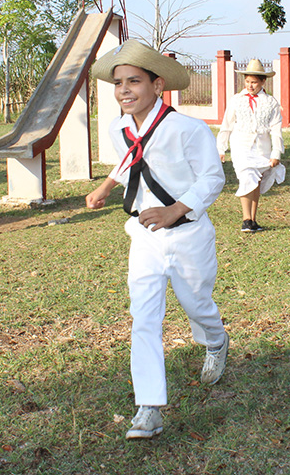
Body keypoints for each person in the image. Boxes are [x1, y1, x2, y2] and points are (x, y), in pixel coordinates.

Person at [85, 39, 228, 440]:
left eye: (134, 81)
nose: (125, 90)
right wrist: (108, 185)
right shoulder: (118, 127)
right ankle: (148, 407)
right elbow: (132, 155)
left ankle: (216, 342)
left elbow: (213, 178)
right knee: (143, 316)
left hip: (188, 236)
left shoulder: (189, 129)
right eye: (118, 83)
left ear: (158, 84)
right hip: (144, 236)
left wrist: (174, 210)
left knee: (197, 305)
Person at [216, 58, 286, 232]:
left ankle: (253, 220)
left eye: (254, 82)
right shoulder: (236, 100)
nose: (250, 85)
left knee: (257, 180)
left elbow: (276, 129)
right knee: (246, 177)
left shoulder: (271, 103)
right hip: (241, 145)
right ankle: (246, 219)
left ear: (263, 81)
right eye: (247, 81)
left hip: (262, 148)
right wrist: (221, 148)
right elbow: (227, 124)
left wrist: (276, 152)